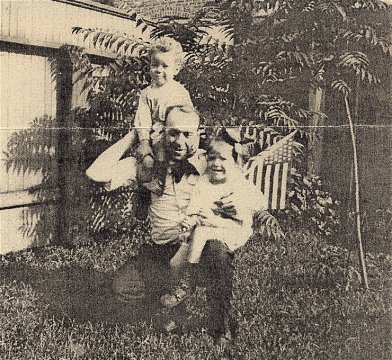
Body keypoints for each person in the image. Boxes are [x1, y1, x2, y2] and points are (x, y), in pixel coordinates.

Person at [86, 105, 266, 346]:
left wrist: (238, 203)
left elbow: (254, 197)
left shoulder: (209, 161)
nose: (179, 141)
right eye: (173, 133)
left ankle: (219, 325)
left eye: (187, 134)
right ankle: (165, 306)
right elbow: (95, 172)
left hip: (199, 251)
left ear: (198, 134)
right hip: (162, 250)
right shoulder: (147, 166)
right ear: (162, 132)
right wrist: (136, 136)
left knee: (218, 251)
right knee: (123, 287)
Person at [160, 135, 267, 310]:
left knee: (202, 234)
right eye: (212, 158)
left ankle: (188, 282)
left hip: (231, 229)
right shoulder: (204, 182)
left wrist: (239, 203)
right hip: (201, 232)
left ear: (235, 162)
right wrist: (190, 220)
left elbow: (261, 202)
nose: (216, 164)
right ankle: (177, 303)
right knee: (174, 263)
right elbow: (194, 208)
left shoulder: (239, 182)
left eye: (223, 159)